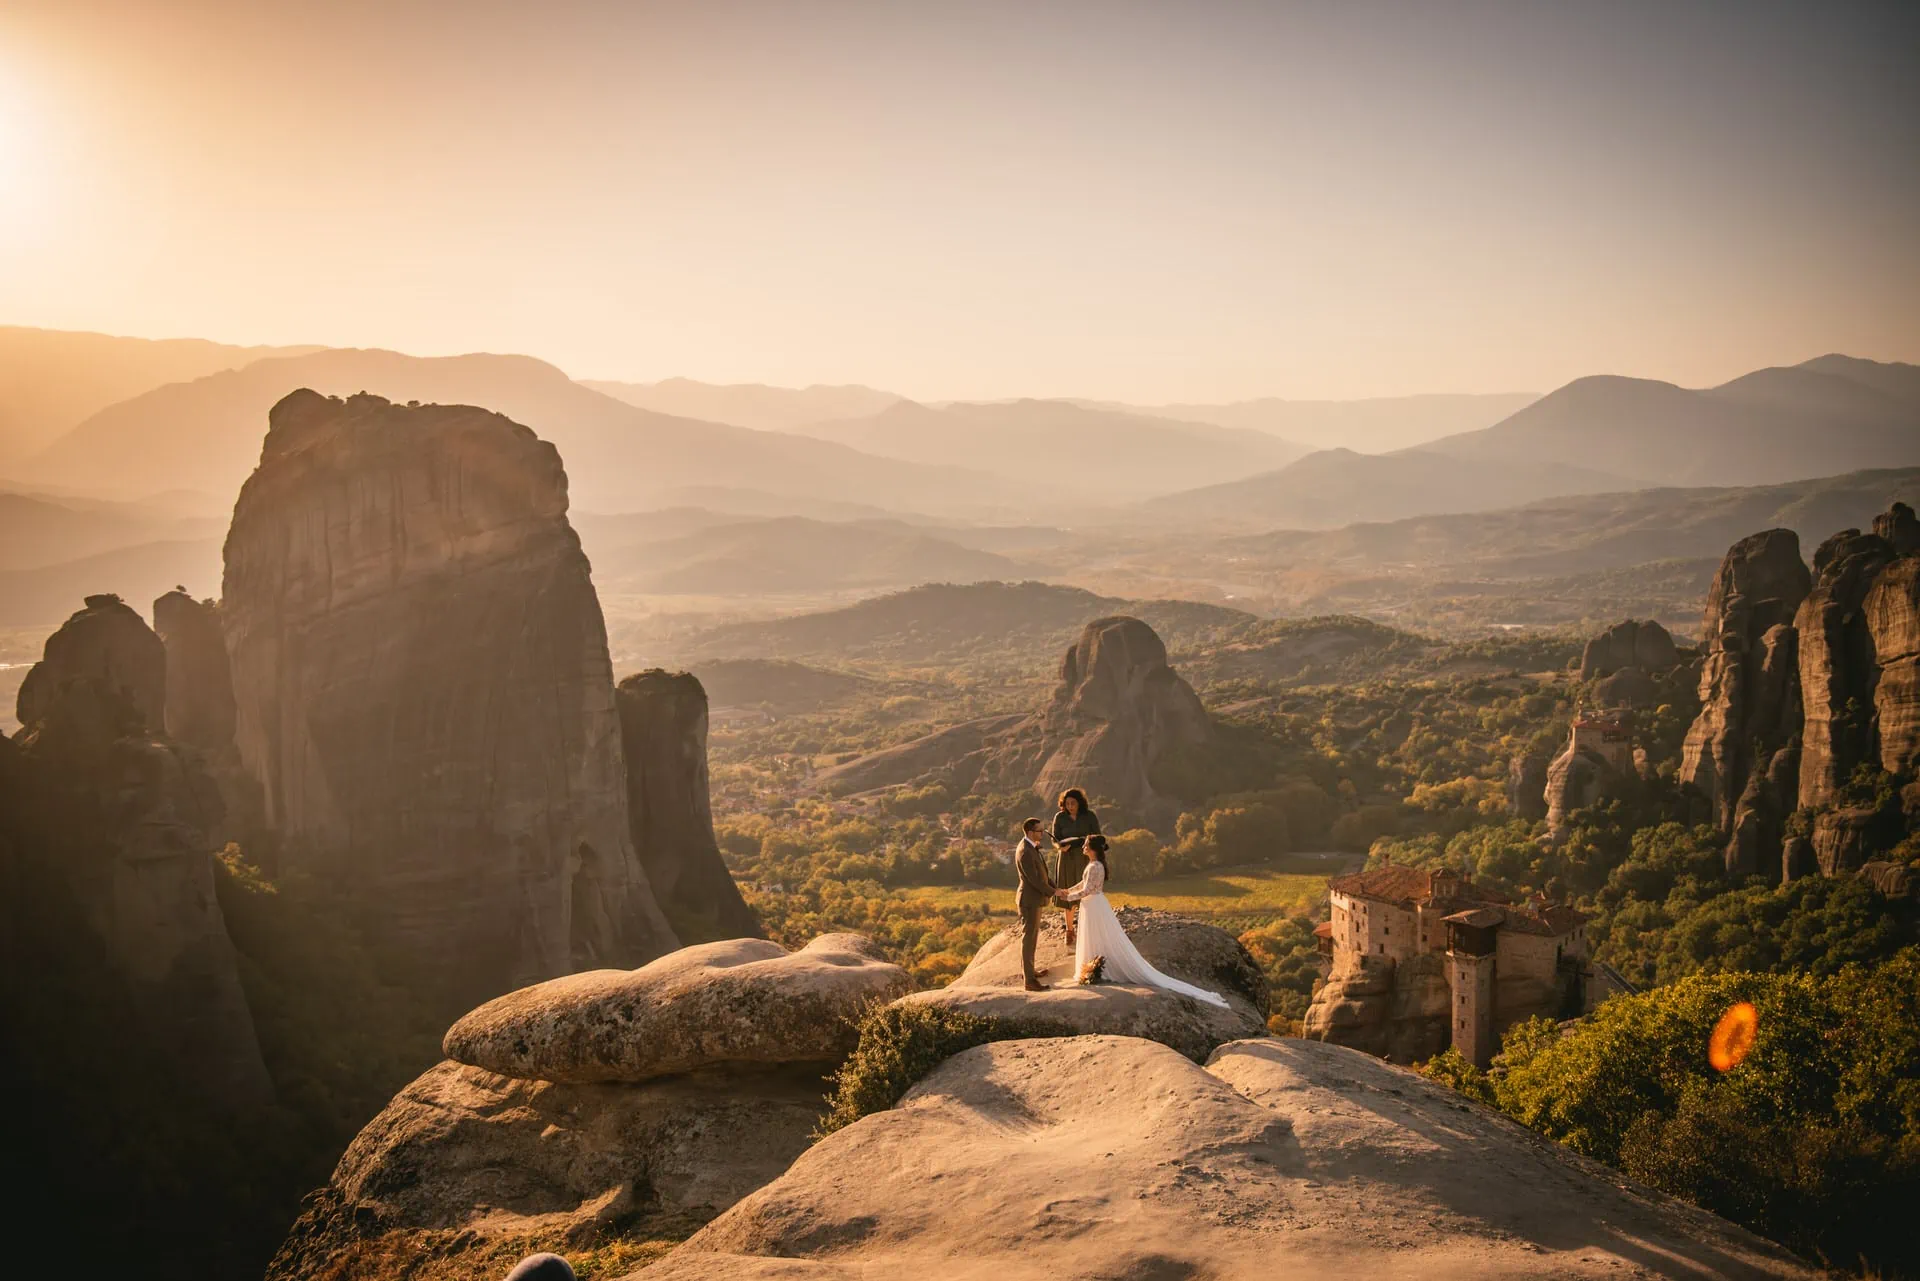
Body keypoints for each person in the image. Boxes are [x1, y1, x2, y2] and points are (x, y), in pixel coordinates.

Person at [1056, 834, 1228, 1007]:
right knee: (1094, 935)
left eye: (1086, 845)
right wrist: (1067, 890)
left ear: (1093, 848)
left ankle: (1095, 968)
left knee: (1096, 934)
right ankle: (1091, 966)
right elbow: (1083, 883)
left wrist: (1068, 897)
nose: (1083, 847)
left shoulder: (1095, 866)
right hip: (1092, 905)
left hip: (1093, 904)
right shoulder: (1094, 865)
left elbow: (1087, 890)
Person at [1049, 788, 1101, 948]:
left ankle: (1089, 930)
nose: (1070, 806)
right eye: (1067, 803)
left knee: (1086, 892)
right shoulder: (1059, 817)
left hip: (1085, 856)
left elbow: (1097, 836)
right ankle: (1070, 930)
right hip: (1066, 858)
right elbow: (1054, 839)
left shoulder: (1089, 816)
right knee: (1068, 891)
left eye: (1073, 803)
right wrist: (1059, 847)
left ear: (1080, 803)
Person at [1014, 817, 1056, 991]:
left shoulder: (1031, 847)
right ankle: (1029, 981)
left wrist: (1054, 886)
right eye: (1040, 831)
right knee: (1028, 938)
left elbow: (1043, 874)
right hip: (1029, 900)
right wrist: (1053, 892)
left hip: (1034, 899)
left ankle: (1030, 972)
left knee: (1032, 937)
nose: (1043, 833)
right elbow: (1035, 880)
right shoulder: (1025, 851)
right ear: (1030, 832)